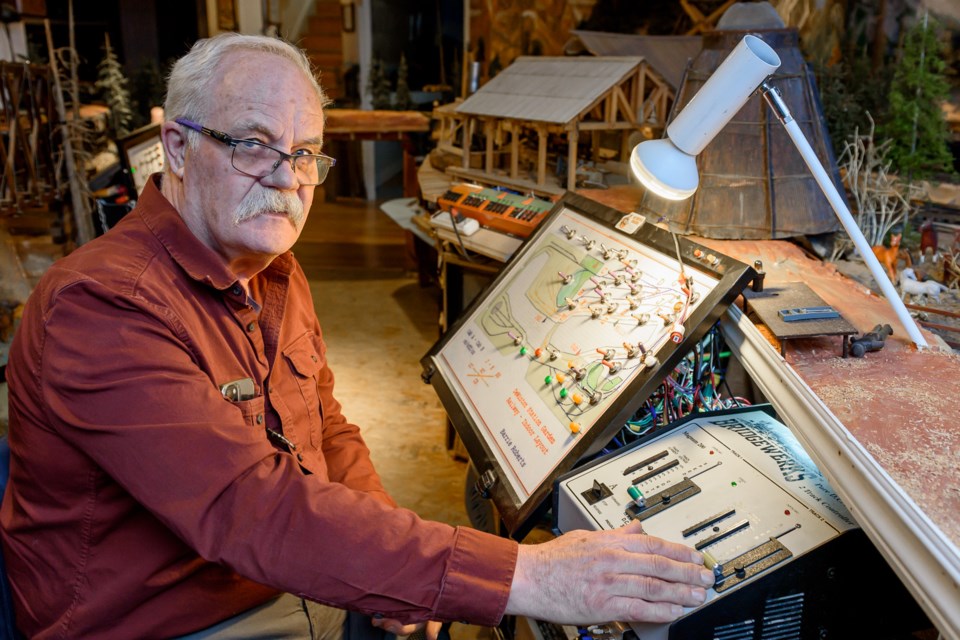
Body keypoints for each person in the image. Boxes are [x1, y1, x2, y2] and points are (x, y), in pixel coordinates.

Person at [0, 33, 713, 639]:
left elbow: (324, 430)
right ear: (177, 149)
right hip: (172, 621)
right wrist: (525, 577)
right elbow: (251, 511)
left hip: (280, 577)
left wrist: (393, 573)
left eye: (306, 152)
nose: (287, 179)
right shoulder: (100, 308)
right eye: (254, 145)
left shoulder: (273, 270)